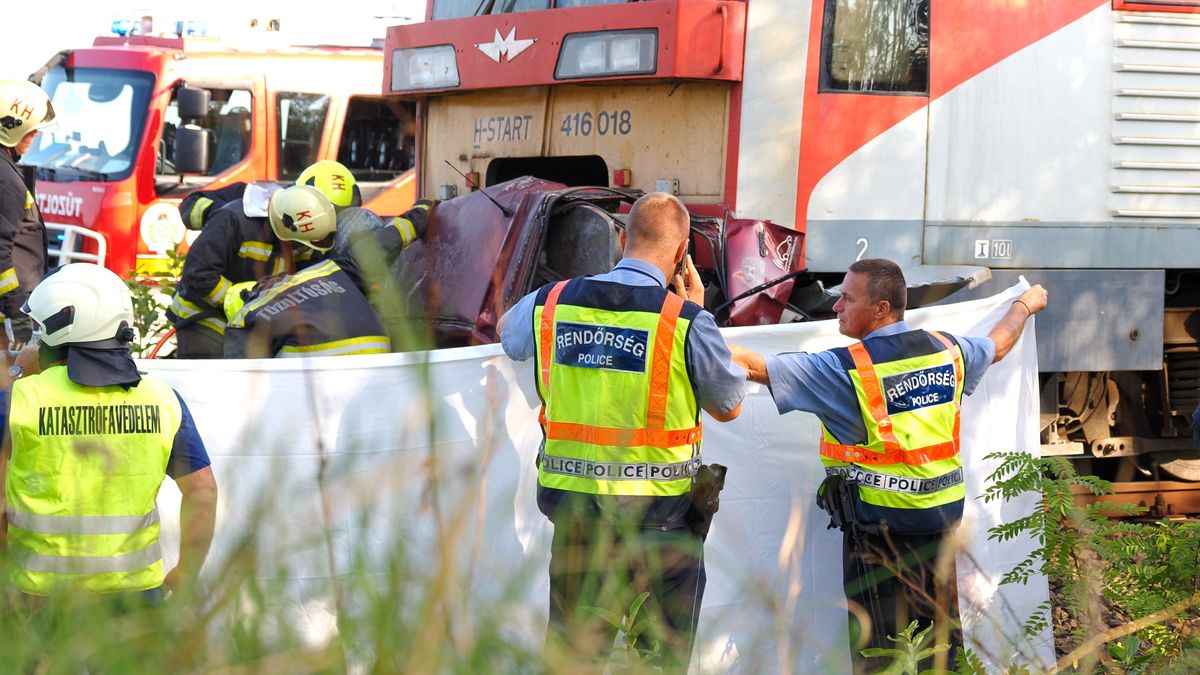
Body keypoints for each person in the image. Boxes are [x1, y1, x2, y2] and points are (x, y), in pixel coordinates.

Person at [729, 258, 1047, 672]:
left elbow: (753, 366)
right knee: (940, 651)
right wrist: (1024, 304)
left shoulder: (845, 370)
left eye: (846, 298)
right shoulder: (948, 350)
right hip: (940, 535)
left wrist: (686, 327)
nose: (835, 307)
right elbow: (998, 344)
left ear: (880, 308)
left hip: (879, 546)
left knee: (880, 654)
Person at [499, 192, 745, 672]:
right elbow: (729, 406)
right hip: (664, 528)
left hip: (576, 521)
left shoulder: (551, 303)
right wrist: (695, 311)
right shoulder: (685, 321)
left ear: (620, 238)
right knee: (659, 663)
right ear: (681, 254)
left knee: (572, 661)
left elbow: (509, 337)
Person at [1, 263, 217, 604]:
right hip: (135, 602)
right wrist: (187, 570)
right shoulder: (162, 398)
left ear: (62, 329)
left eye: (41, 330)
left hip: (37, 600)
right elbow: (202, 491)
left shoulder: (19, 399)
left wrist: (15, 371)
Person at [168, 160, 362, 358]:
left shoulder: (309, 234)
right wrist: (217, 218)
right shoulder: (239, 216)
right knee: (213, 378)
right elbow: (198, 274)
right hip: (205, 317)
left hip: (253, 320)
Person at [223, 188, 432, 358]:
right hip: (376, 351)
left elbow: (241, 383)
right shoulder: (330, 271)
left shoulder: (244, 319)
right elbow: (384, 244)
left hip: (321, 378)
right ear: (260, 288)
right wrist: (420, 213)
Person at [0, 80, 54, 352]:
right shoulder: (5, 179)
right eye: (31, 132)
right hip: (7, 316)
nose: (34, 138)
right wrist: (15, 309)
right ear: (10, 128)